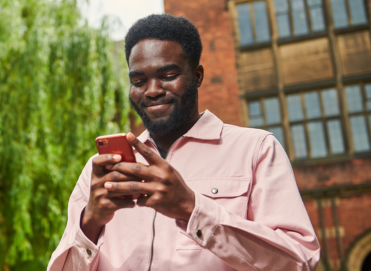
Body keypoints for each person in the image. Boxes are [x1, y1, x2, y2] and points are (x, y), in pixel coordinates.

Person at [47, 14, 320, 271]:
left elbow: (298, 262)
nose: (152, 91)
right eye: (139, 80)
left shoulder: (256, 149)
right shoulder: (101, 171)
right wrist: (90, 222)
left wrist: (191, 208)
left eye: (168, 76)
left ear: (197, 76)